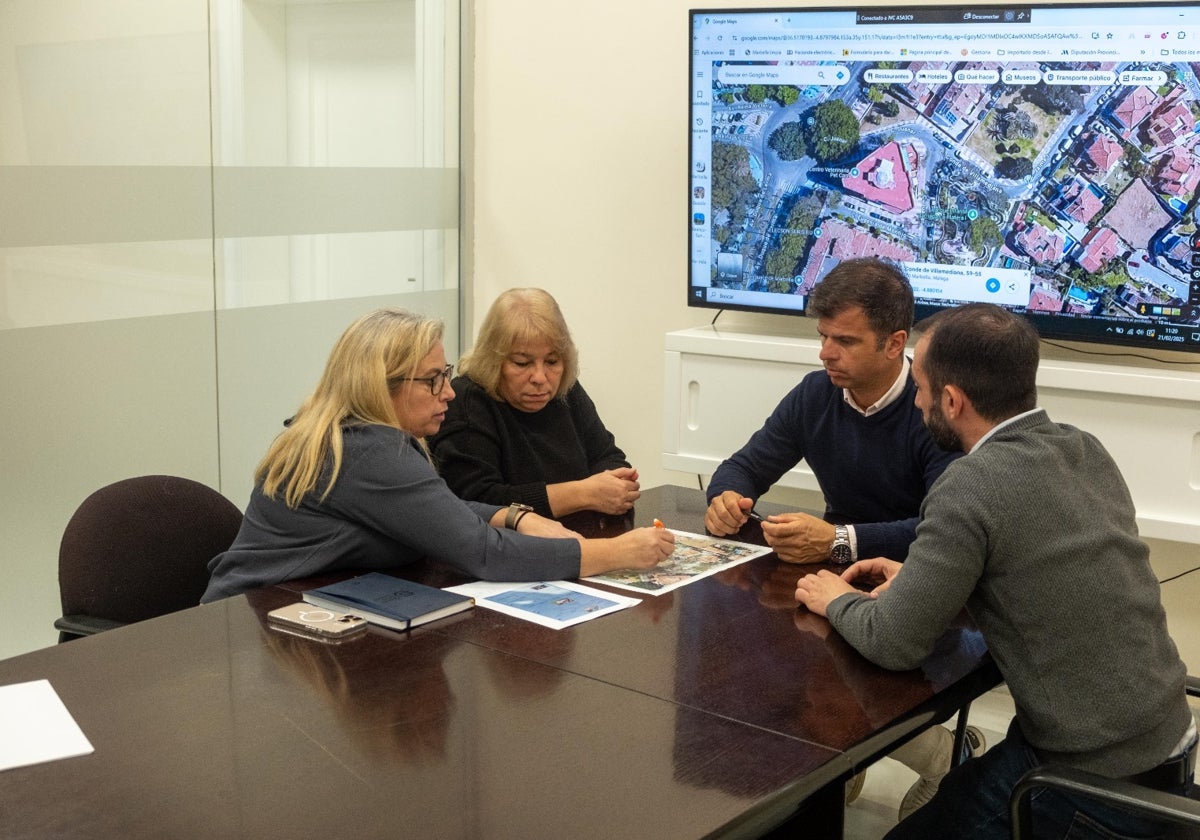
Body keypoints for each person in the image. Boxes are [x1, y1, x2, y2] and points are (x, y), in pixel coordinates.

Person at [795, 303, 1196, 839]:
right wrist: (921, 577)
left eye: (919, 387)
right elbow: (1040, 572)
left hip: (1092, 786)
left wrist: (832, 597)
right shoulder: (1081, 447)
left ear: (953, 400)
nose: (915, 402)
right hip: (1166, 748)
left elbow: (894, 642)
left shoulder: (970, 485)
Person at [704, 256, 972, 815]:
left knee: (840, 671)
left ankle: (949, 760)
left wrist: (839, 541)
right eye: (823, 336)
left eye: (844, 340)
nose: (826, 352)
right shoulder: (816, 392)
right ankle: (841, 752)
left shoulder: (936, 408)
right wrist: (726, 500)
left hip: (932, 580)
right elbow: (740, 467)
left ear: (895, 342)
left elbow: (945, 531)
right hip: (840, 575)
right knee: (772, 655)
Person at [202, 307, 673, 603]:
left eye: (445, 373)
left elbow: (430, 510)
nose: (449, 393)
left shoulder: (349, 434)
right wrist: (614, 552)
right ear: (380, 388)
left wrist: (513, 516)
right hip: (254, 618)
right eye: (432, 380)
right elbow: (483, 555)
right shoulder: (368, 452)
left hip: (297, 604)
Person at [429, 288, 639, 519]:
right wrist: (582, 494)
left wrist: (614, 485)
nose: (540, 377)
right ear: (492, 360)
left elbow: (608, 456)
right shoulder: (467, 401)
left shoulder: (564, 390)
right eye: (522, 363)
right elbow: (478, 502)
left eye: (552, 361)